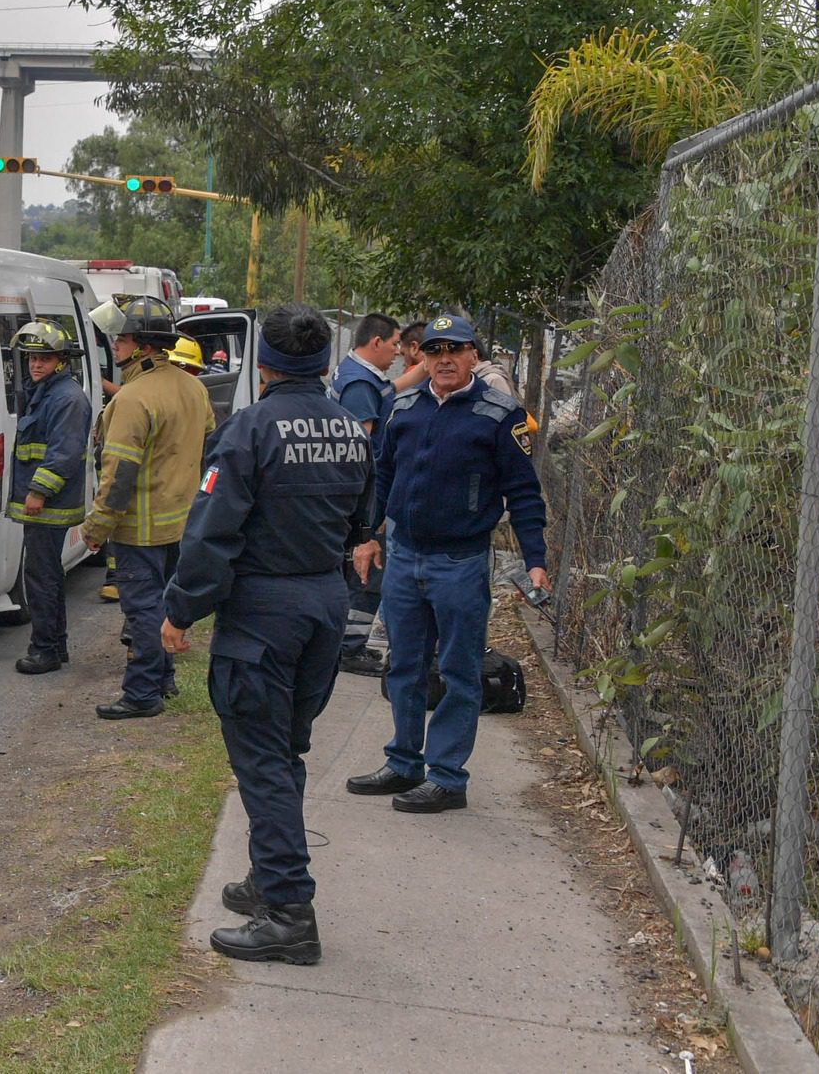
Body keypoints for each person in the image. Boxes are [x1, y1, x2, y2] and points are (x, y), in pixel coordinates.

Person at [161, 303, 374, 964]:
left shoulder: (251, 429)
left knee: (262, 760)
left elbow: (212, 530)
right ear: (323, 362)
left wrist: (180, 608)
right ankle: (267, 878)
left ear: (264, 365)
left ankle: (288, 912)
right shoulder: (351, 429)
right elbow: (366, 515)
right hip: (324, 601)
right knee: (284, 752)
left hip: (264, 612)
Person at [346, 313, 548, 812]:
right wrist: (368, 537)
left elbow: (523, 493)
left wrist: (536, 559)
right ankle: (403, 763)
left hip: (459, 561)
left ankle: (448, 778)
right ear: (423, 357)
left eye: (455, 350)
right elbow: (384, 479)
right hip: (405, 556)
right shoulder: (405, 407)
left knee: (459, 671)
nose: (445, 360)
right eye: (434, 351)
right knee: (404, 666)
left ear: (473, 356)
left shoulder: (501, 416)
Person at [83, 294, 212, 719]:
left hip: (140, 528)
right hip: (183, 522)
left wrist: (97, 527)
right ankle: (164, 679)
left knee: (142, 610)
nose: (114, 346)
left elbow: (118, 475)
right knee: (165, 606)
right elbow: (205, 441)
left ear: (142, 346)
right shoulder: (194, 386)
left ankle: (142, 694)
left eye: (120, 340)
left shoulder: (133, 399)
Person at [7, 321, 93, 675]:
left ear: (61, 361)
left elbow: (63, 453)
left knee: (41, 577)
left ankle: (44, 651)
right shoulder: (47, 392)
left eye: (44, 358)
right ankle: (55, 645)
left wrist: (39, 491)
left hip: (49, 504)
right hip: (46, 503)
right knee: (49, 574)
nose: (36, 364)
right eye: (31, 358)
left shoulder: (66, 398)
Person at [330, 313, 400, 676]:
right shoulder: (360, 385)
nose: (397, 352)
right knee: (368, 573)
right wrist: (369, 513)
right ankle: (349, 647)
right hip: (366, 495)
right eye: (394, 345)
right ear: (376, 342)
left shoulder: (357, 374)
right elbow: (361, 449)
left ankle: (347, 643)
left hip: (358, 495)